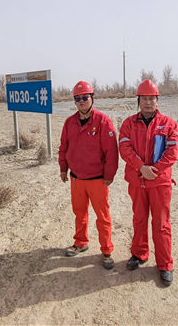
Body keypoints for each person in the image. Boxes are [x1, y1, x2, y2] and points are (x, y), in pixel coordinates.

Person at [118, 79, 178, 286]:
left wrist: (155, 170)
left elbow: (172, 152)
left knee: (161, 224)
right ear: (138, 100)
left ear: (157, 100)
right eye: (144, 98)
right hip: (137, 181)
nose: (147, 102)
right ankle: (139, 253)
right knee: (139, 219)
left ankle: (165, 264)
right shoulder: (128, 124)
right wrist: (141, 167)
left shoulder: (169, 124)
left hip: (159, 183)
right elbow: (125, 149)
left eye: (151, 98)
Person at [58, 81, 119, 269]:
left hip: (97, 180)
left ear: (92, 98)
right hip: (77, 179)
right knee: (79, 213)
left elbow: (111, 152)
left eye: (85, 97)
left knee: (103, 216)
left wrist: (109, 174)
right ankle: (80, 242)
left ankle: (106, 250)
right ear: (74, 101)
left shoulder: (103, 121)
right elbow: (63, 147)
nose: (82, 101)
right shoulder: (70, 123)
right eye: (78, 98)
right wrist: (63, 168)